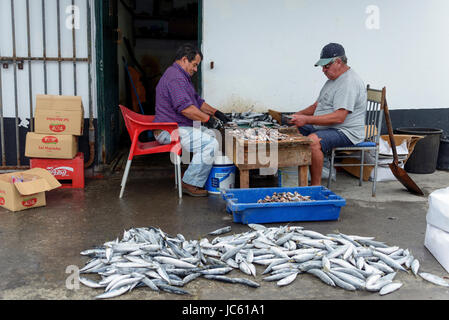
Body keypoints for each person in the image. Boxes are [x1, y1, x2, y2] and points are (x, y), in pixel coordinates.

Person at [153, 43, 231, 197]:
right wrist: (209, 120)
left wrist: (217, 113)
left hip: (178, 127)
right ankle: (190, 183)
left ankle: (197, 175)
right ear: (184, 60)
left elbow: (197, 102)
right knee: (210, 143)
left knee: (214, 135)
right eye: (194, 65)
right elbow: (186, 109)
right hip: (168, 131)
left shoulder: (181, 77)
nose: (195, 69)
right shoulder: (175, 78)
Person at [290, 43, 367, 186]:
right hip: (328, 127)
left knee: (313, 141)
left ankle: (315, 187)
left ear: (338, 62)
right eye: (322, 67)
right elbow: (316, 106)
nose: (323, 70)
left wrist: (306, 120)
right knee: (292, 130)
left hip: (346, 131)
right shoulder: (332, 80)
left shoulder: (349, 82)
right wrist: (296, 116)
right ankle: (295, 178)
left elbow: (339, 117)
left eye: (326, 66)